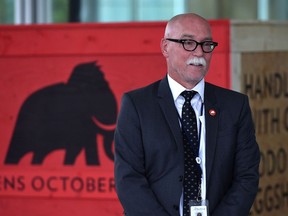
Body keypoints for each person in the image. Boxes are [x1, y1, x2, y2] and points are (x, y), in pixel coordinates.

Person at [114, 13, 260, 216]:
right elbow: (128, 179)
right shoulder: (137, 106)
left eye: (206, 44)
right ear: (165, 47)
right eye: (188, 42)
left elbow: (247, 177)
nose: (199, 53)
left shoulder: (236, 106)